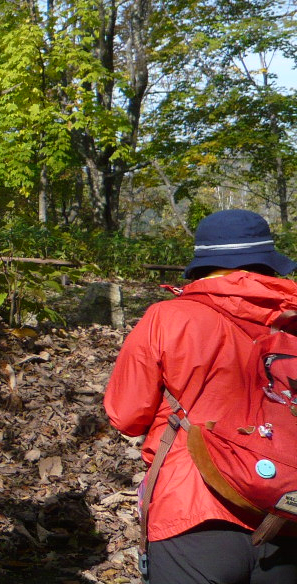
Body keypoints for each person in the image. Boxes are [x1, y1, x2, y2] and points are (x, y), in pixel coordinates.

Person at [104, 209, 297, 584]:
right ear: (268, 263)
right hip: (286, 509)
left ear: (203, 264)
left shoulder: (167, 318)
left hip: (192, 504)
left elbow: (126, 415)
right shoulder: (292, 323)